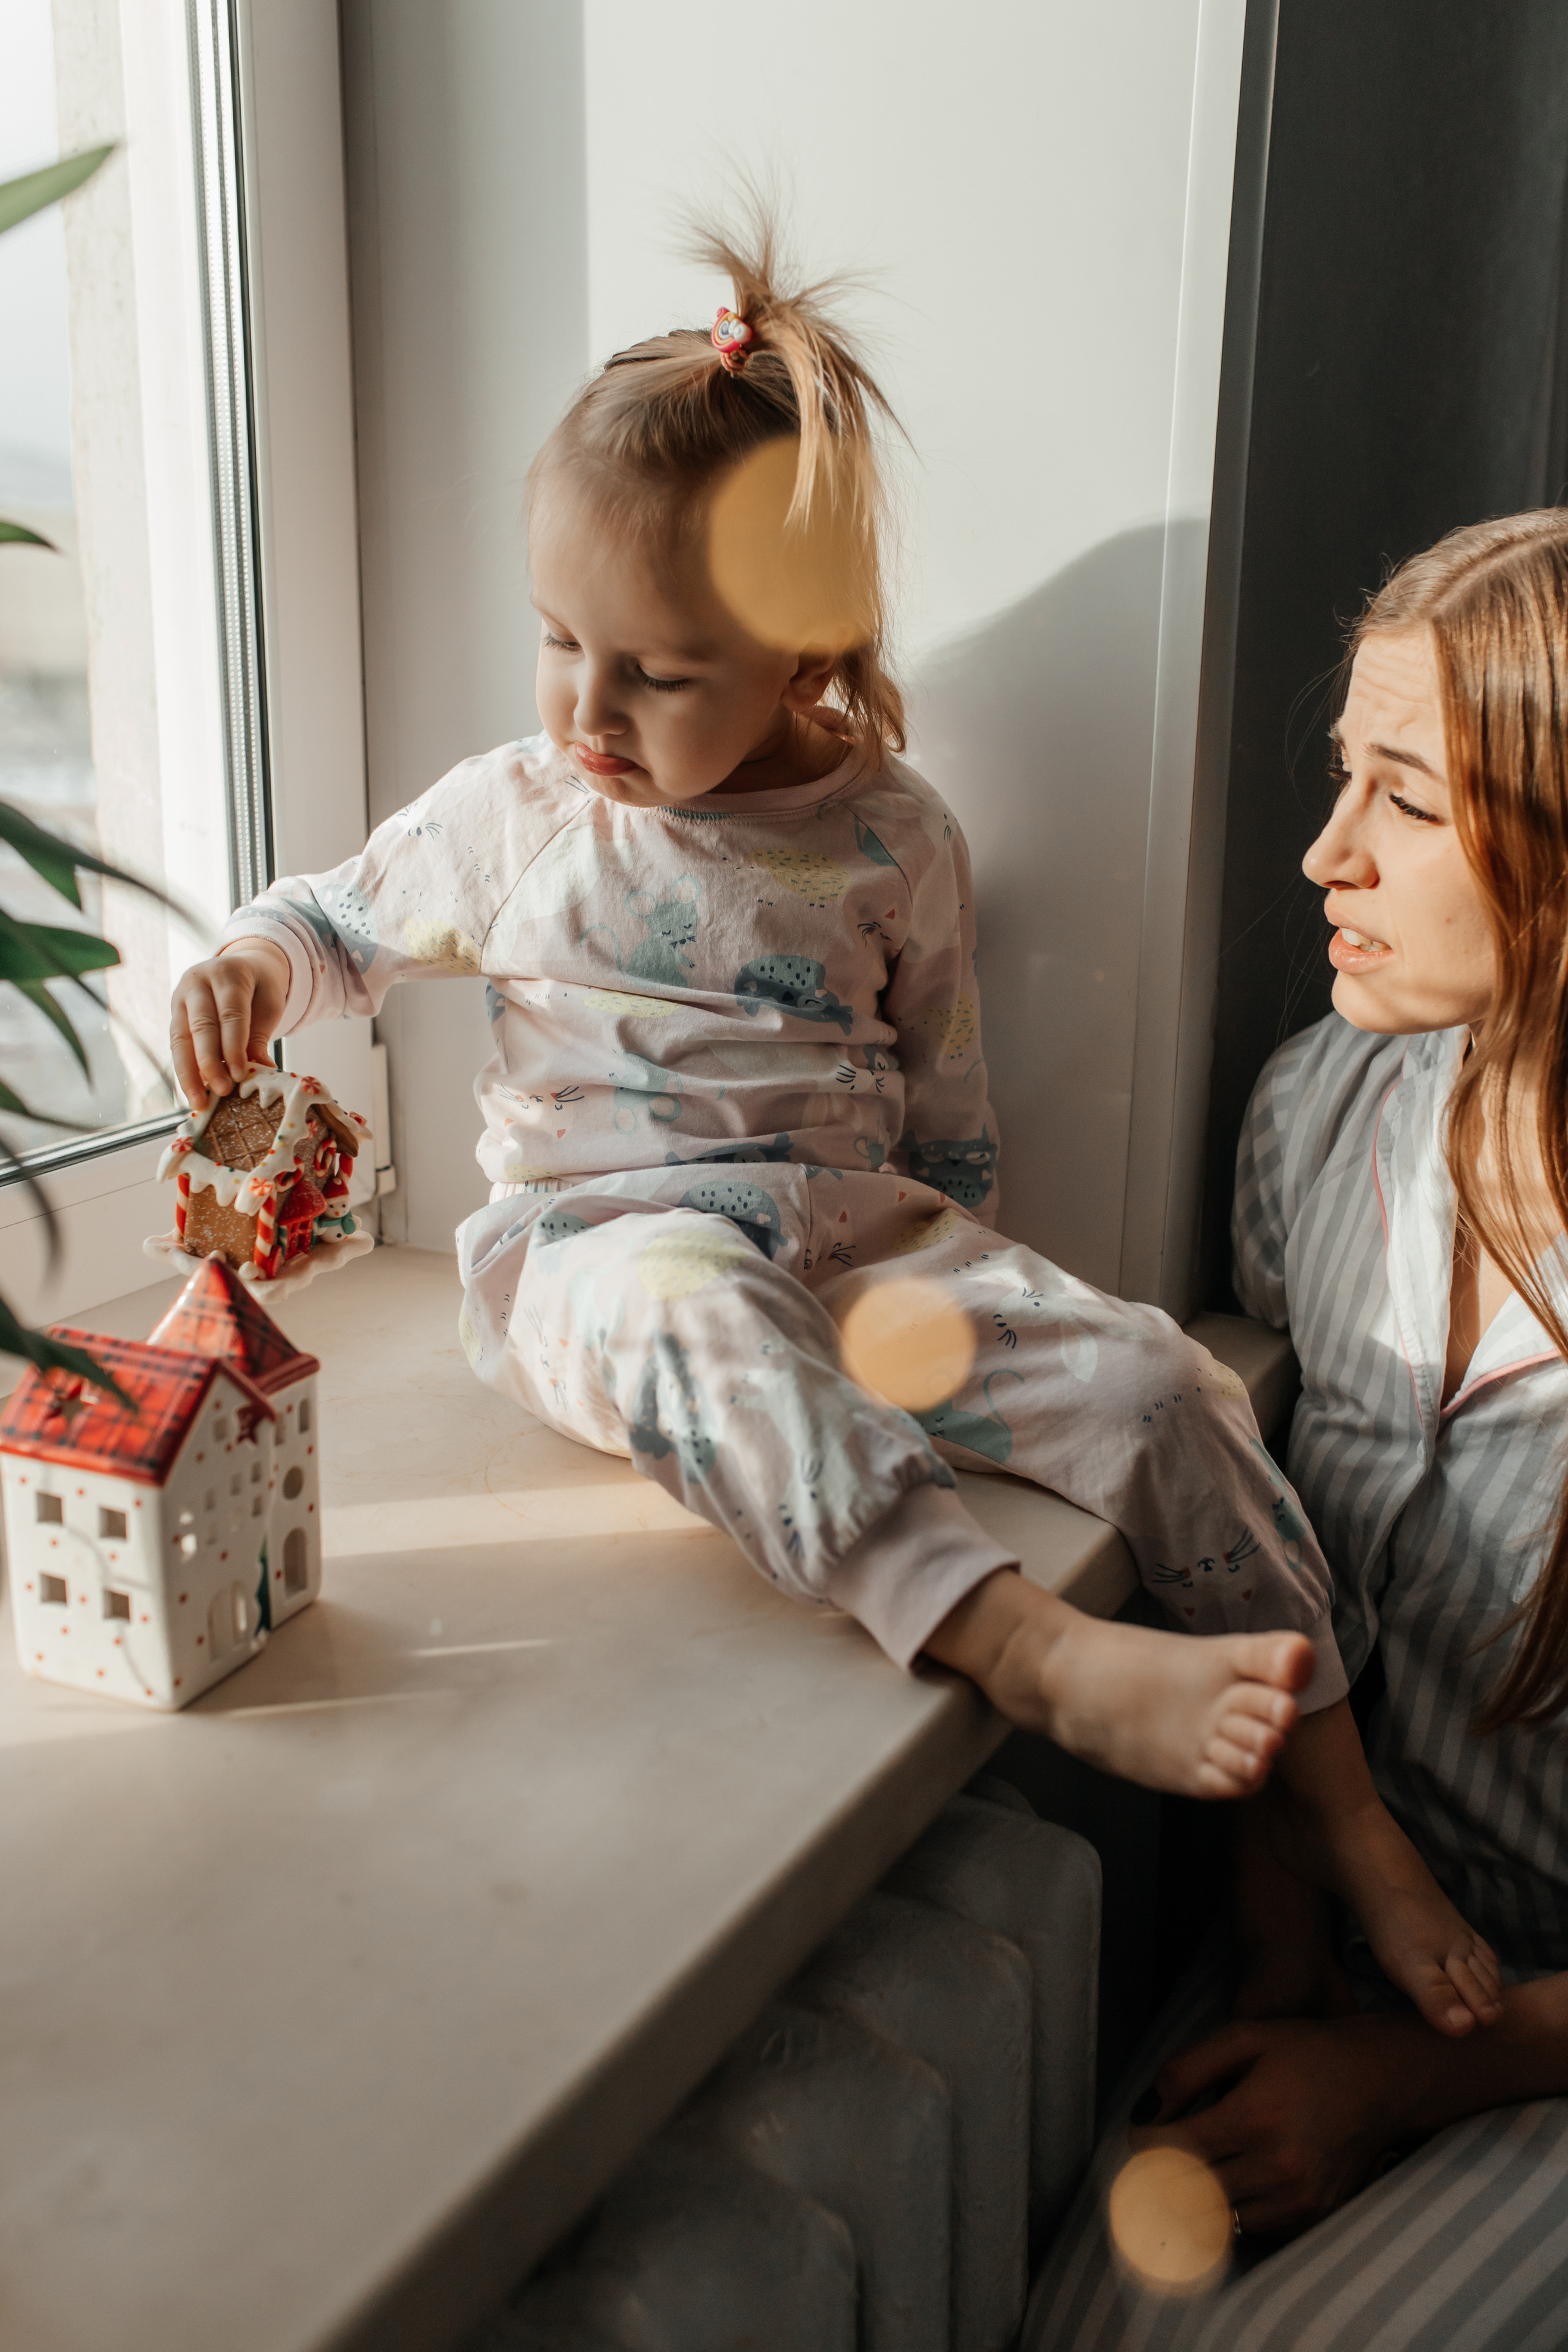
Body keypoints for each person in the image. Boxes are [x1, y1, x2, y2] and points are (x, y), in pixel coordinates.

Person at [169, 222, 1490, 2016]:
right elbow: (336, 918)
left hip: (859, 1245)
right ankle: (1020, 1646)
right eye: (561, 643)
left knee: (1155, 1379)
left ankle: (1349, 1811)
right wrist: (252, 961)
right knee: (697, 1321)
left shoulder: (898, 840)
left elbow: (946, 1111)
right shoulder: (524, 814)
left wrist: (988, 1305)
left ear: (804, 655)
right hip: (600, 1251)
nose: (589, 710)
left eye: (657, 669)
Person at [1030, 510, 1568, 2351]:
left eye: (1404, 802)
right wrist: (1281, 1936)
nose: (1324, 852)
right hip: (1344, 1932)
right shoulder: (1323, 1115)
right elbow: (1282, 1558)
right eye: (1347, 779)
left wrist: (1400, 2082)